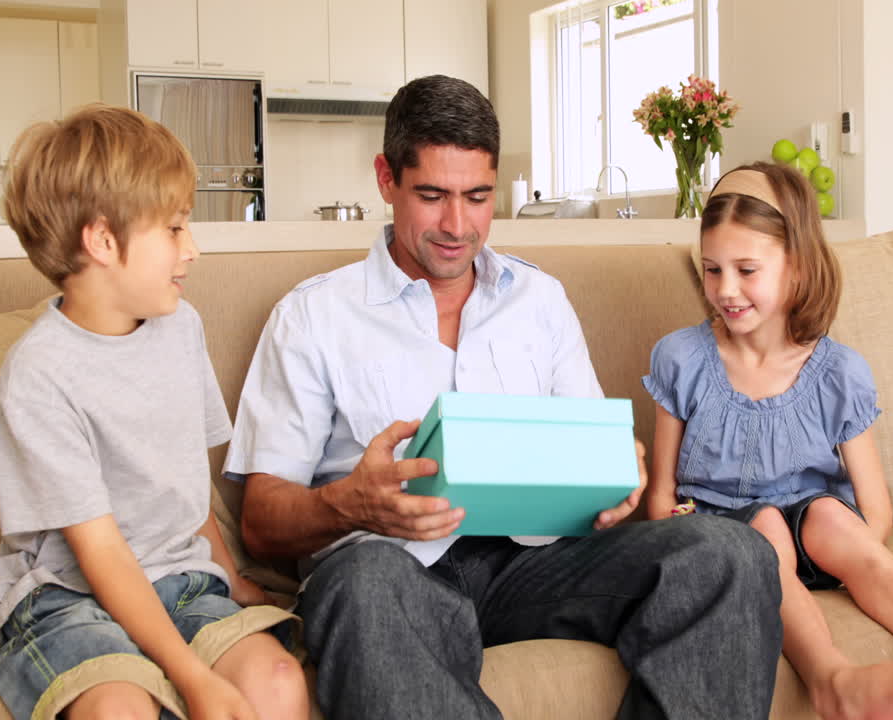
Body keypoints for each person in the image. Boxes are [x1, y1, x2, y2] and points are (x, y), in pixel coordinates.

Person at [224, 75, 782, 720]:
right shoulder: (313, 316)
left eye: (478, 197)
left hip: (538, 566)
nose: (457, 225)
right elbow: (261, 523)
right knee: (364, 585)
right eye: (432, 196)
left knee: (729, 553)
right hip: (391, 574)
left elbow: (592, 454)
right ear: (386, 178)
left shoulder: (538, 300)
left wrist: (614, 480)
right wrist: (347, 503)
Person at [642, 162, 893, 720]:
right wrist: (680, 533)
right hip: (727, 537)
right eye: (712, 270)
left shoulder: (838, 373)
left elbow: (876, 512)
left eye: (746, 270)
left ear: (797, 270)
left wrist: (851, 556)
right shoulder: (680, 358)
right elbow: (661, 498)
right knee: (765, 528)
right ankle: (832, 681)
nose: (725, 291)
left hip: (812, 533)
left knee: (831, 519)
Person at [0, 105, 308, 720]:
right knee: (118, 711)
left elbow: (186, 481)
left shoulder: (181, 326)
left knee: (279, 681)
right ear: (102, 241)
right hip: (66, 597)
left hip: (177, 579)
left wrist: (231, 578)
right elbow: (99, 553)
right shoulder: (39, 373)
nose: (194, 248)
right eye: (175, 228)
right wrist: (194, 678)